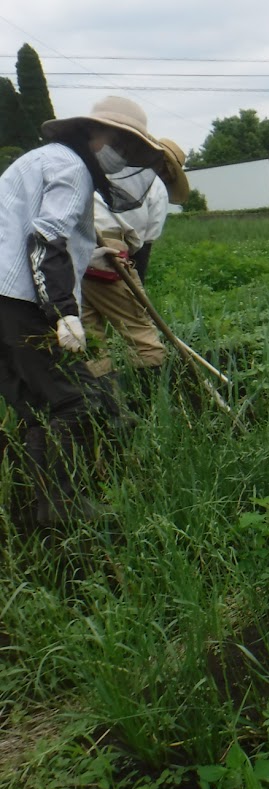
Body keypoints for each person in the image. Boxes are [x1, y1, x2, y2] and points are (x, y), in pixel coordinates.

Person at [0, 95, 166, 525]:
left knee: (34, 405)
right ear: (94, 134)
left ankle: (28, 507)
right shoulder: (73, 169)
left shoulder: (44, 160)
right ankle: (63, 507)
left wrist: (92, 255)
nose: (122, 156)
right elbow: (45, 239)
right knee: (75, 401)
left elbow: (30, 234)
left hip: (6, 297)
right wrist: (62, 312)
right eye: (120, 143)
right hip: (18, 301)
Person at [80, 138, 190, 389]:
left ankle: (103, 405)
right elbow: (143, 244)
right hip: (109, 256)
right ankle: (153, 397)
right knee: (141, 333)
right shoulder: (155, 185)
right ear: (168, 171)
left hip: (74, 251)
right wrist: (138, 292)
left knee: (90, 337)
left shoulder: (106, 170)